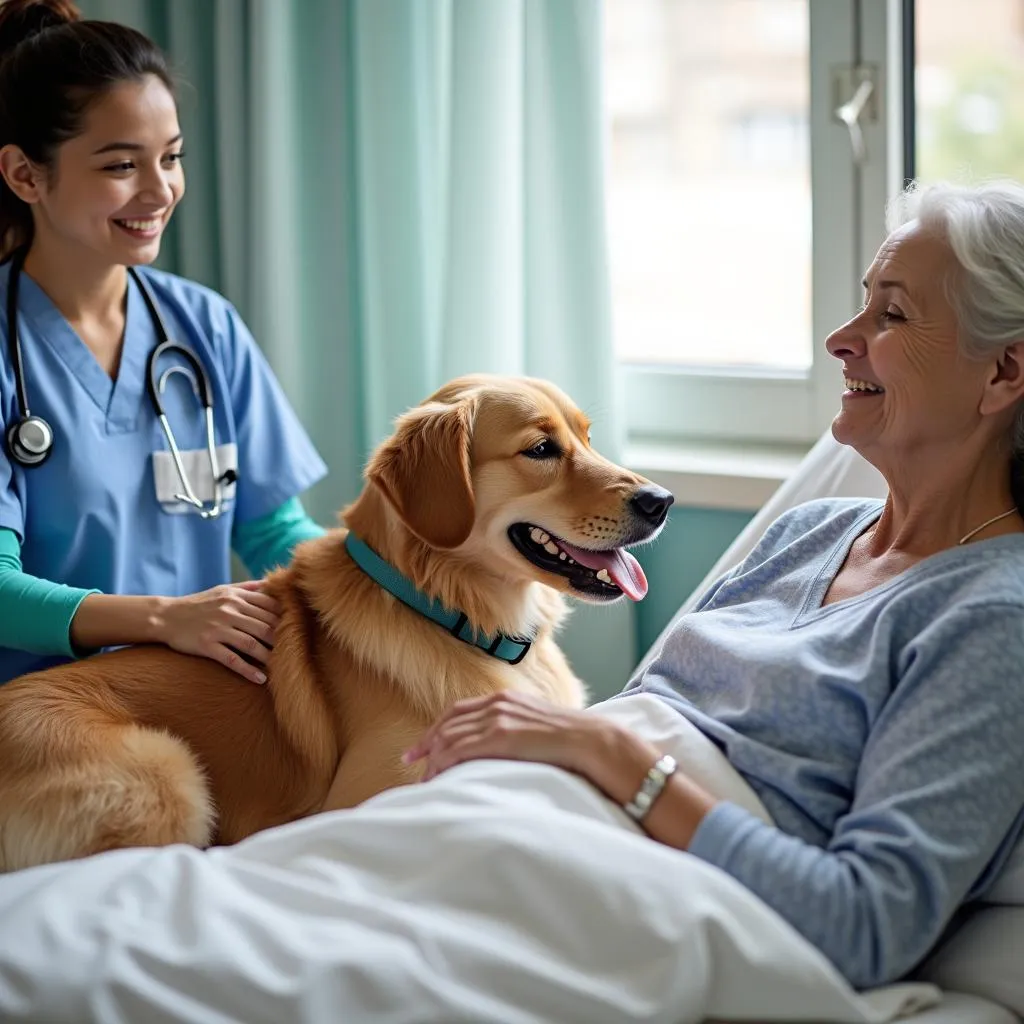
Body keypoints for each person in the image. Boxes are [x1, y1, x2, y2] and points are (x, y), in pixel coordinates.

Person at [404, 179, 1024, 991]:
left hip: (614, 896)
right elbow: (647, 712)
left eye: (892, 315)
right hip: (517, 828)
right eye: (860, 305)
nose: (842, 338)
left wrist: (606, 749)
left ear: (1005, 372)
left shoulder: (992, 620)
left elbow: (865, 927)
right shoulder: (813, 531)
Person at [0, 0, 327, 686]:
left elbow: (273, 533)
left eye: (171, 158)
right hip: (44, 718)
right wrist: (164, 619)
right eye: (122, 165)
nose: (159, 191)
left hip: (193, 704)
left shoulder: (205, 327)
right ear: (26, 175)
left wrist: (396, 587)